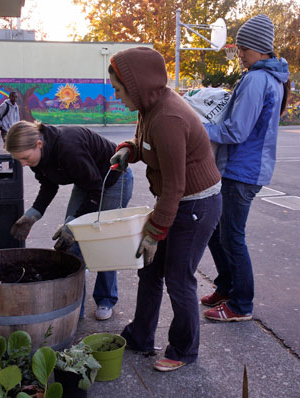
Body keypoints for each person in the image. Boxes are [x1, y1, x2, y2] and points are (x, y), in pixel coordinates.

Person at [108, 47, 222, 372]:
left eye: (118, 89)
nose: (117, 96)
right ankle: (141, 336)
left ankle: (185, 350)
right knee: (150, 270)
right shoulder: (148, 107)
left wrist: (155, 232)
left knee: (178, 277)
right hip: (177, 200)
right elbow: (144, 143)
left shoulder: (168, 118)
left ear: (137, 86)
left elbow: (175, 186)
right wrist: (128, 150)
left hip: (196, 204)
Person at [200, 15, 290, 321]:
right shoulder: (271, 78)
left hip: (242, 172)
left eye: (243, 49)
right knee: (218, 232)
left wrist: (198, 128)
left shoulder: (257, 79)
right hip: (247, 169)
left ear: (260, 48)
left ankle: (241, 305)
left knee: (232, 237)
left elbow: (236, 131)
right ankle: (226, 286)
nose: (239, 54)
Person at [5, 121, 133, 321]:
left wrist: (73, 223)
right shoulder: (36, 157)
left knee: (104, 242)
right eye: (19, 159)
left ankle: (105, 299)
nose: (23, 163)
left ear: (39, 144)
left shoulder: (68, 147)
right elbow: (49, 185)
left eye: (24, 158)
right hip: (88, 181)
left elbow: (96, 188)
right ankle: (75, 307)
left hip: (114, 179)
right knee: (70, 244)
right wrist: (33, 214)